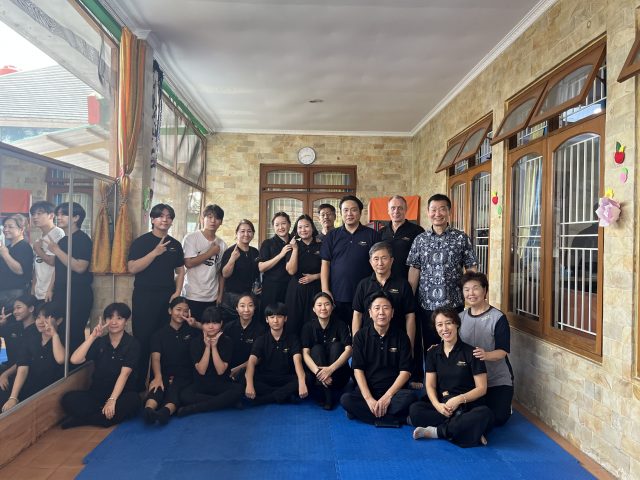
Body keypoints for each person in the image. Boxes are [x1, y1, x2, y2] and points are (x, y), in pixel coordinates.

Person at [409, 307, 493, 447]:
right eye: (439, 325)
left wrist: (459, 399)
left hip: (467, 406)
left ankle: (437, 432)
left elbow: (482, 388)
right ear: (435, 328)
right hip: (444, 406)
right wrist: (438, 406)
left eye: (448, 323)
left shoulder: (472, 352)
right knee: (415, 410)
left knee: (485, 414)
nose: (444, 329)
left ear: (457, 324)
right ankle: (466, 430)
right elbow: (430, 385)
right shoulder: (433, 352)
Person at [407, 193, 477, 352]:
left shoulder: (461, 238)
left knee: (454, 346)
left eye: (442, 209)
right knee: (430, 347)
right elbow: (414, 269)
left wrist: (471, 295)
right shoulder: (420, 240)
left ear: (449, 212)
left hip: (454, 303)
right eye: (433, 210)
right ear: (428, 212)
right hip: (426, 304)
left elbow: (471, 268)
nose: (437, 214)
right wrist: (410, 297)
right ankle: (431, 369)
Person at [128, 203, 185, 391]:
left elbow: (180, 271)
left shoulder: (175, 245)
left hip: (166, 298)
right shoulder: (141, 242)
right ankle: (138, 386)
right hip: (144, 297)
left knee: (162, 341)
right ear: (153, 219)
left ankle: (157, 384)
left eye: (169, 217)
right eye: (160, 216)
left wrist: (177, 292)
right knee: (142, 340)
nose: (165, 220)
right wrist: (155, 253)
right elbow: (132, 268)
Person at [61, 303, 141, 428]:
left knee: (134, 400)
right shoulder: (100, 342)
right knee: (68, 399)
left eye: (119, 318)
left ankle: (83, 420)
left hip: (121, 394)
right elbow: (75, 360)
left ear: (126, 321)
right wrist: (92, 337)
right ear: (105, 320)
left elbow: (124, 375)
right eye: (110, 318)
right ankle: (102, 418)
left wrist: (112, 400)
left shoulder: (132, 344)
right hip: (97, 393)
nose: (113, 322)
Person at [340, 292, 414, 426]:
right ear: (370, 313)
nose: (381, 312)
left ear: (392, 313)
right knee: (346, 400)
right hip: (370, 389)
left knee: (411, 398)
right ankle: (394, 419)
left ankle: (365, 414)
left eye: (386, 308)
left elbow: (405, 372)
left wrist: (387, 397)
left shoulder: (402, 337)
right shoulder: (360, 336)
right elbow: (358, 370)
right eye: (377, 308)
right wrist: (369, 399)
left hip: (394, 392)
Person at [351, 241, 418, 386]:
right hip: (369, 341)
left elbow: (410, 316)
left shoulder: (403, 284)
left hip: (396, 342)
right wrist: (356, 343)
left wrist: (410, 345)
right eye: (376, 259)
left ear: (392, 261)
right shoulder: (363, 285)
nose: (380, 263)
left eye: (384, 258)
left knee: (400, 386)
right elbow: (357, 315)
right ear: (370, 262)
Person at [459, 271, 514, 426]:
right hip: (471, 380)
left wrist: (486, 355)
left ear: (485, 290)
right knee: (462, 411)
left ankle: (505, 406)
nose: (471, 293)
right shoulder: (460, 318)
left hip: (496, 379)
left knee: (498, 418)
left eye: (475, 288)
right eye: (466, 289)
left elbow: (502, 351)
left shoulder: (498, 317)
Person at [321, 195, 380, 326]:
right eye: (345, 210)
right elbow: (325, 263)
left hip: (365, 293)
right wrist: (325, 290)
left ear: (360, 212)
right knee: (340, 331)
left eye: (353, 210)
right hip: (338, 293)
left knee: (363, 330)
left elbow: (378, 264)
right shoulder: (332, 235)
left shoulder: (372, 235)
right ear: (341, 213)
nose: (349, 214)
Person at [178, 306, 243, 416]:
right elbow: (201, 371)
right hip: (201, 384)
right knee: (184, 395)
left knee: (239, 389)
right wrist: (208, 347)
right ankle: (226, 401)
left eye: (215, 323)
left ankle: (195, 408)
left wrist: (214, 347)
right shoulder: (195, 342)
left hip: (221, 383)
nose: (211, 327)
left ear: (221, 323)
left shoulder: (227, 341)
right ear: (202, 324)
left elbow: (220, 371)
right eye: (207, 323)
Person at [0, 303, 65, 412]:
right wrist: (13, 397)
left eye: (46, 317)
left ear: (59, 320)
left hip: (48, 389)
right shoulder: (32, 340)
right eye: (38, 317)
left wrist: (54, 335)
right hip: (27, 383)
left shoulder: (64, 339)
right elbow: (23, 367)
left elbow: (61, 359)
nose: (41, 321)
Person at [143, 297, 197, 425]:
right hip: (164, 372)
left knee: (175, 391)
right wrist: (158, 377)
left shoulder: (192, 332)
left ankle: (164, 413)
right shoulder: (158, 334)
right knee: (157, 389)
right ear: (170, 311)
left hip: (184, 375)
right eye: (178, 309)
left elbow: (209, 330)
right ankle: (148, 411)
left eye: (185, 311)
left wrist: (195, 324)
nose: (182, 313)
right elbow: (156, 358)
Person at [47, 202, 93, 353]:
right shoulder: (62, 241)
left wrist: (57, 251)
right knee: (58, 331)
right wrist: (50, 288)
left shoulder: (83, 239)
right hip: (60, 291)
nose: (59, 217)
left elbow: (80, 267)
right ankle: (60, 363)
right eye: (58, 214)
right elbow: (58, 268)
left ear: (76, 218)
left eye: (64, 214)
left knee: (73, 333)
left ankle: (75, 364)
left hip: (77, 293)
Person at [244, 302, 308, 405]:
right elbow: (251, 362)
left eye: (279, 317)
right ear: (267, 319)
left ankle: (265, 399)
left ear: (285, 318)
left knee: (307, 378)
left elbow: (297, 361)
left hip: (286, 377)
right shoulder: (261, 339)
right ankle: (284, 395)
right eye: (272, 317)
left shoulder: (293, 338)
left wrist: (301, 382)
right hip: (266, 377)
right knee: (243, 377)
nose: (275, 320)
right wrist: (250, 385)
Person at [301, 292, 352, 410]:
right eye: (319, 305)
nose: (323, 308)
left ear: (332, 307)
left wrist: (330, 370)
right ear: (313, 309)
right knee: (317, 349)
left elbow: (349, 350)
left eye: (327, 304)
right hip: (318, 378)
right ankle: (327, 393)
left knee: (337, 346)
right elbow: (305, 353)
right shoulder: (308, 327)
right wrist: (319, 373)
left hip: (338, 375)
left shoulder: (341, 324)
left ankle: (328, 395)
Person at [182, 204, 227, 321]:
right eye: (209, 217)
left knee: (209, 327)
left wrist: (220, 295)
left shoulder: (222, 244)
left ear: (221, 222)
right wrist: (211, 252)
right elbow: (188, 263)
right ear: (202, 219)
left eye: (217, 218)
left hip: (212, 296)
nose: (213, 221)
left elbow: (220, 272)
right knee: (191, 327)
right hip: (192, 294)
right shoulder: (191, 238)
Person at [284, 214, 322, 334]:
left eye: (306, 226)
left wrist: (315, 277)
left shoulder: (321, 245)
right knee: (293, 322)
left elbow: (329, 269)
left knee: (313, 322)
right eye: (300, 227)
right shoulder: (292, 246)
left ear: (312, 228)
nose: (303, 230)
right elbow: (291, 271)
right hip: (296, 290)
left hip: (315, 289)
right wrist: (295, 249)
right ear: (296, 230)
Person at [379, 195, 424, 279]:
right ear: (388, 211)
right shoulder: (381, 232)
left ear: (406, 210)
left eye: (400, 208)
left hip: (408, 281)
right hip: (385, 281)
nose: (396, 211)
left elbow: (421, 260)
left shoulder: (417, 231)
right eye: (393, 208)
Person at [220, 220, 260, 313]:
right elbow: (225, 274)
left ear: (253, 234)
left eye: (249, 231)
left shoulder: (255, 252)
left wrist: (257, 288)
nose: (246, 234)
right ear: (236, 233)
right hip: (232, 297)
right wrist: (232, 259)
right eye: (242, 231)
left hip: (250, 296)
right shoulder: (230, 252)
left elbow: (257, 274)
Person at [0, 295, 38, 389]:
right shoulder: (16, 326)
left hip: (21, 374)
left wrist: (5, 374)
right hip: (5, 367)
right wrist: (2, 324)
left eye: (18, 307)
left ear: (31, 308)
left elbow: (25, 359)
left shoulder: (36, 331)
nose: (15, 312)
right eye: (14, 309)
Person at [258, 212, 292, 317]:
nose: (280, 227)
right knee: (270, 317)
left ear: (289, 224)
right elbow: (261, 267)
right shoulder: (267, 243)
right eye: (277, 225)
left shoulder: (295, 242)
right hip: (272, 288)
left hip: (290, 287)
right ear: (273, 227)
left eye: (283, 223)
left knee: (288, 317)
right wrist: (281, 255)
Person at [225, 293, 265, 381]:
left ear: (254, 308)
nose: (246, 310)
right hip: (227, 369)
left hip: (251, 371)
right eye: (242, 306)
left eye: (250, 305)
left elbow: (259, 357)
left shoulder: (260, 330)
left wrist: (238, 368)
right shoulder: (228, 327)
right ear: (236, 308)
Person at [30, 201, 64, 301]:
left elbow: (52, 262)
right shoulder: (40, 238)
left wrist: (37, 249)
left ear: (51, 215)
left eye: (39, 213)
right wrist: (33, 287)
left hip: (51, 291)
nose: (35, 217)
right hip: (39, 290)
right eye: (33, 214)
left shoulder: (58, 233)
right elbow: (37, 266)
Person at [0, 214, 34, 310]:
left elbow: (20, 270)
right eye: (5, 226)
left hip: (15, 293)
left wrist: (5, 254)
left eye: (10, 227)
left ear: (21, 229)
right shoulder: (7, 248)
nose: (6, 229)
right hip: (4, 292)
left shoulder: (24, 246)